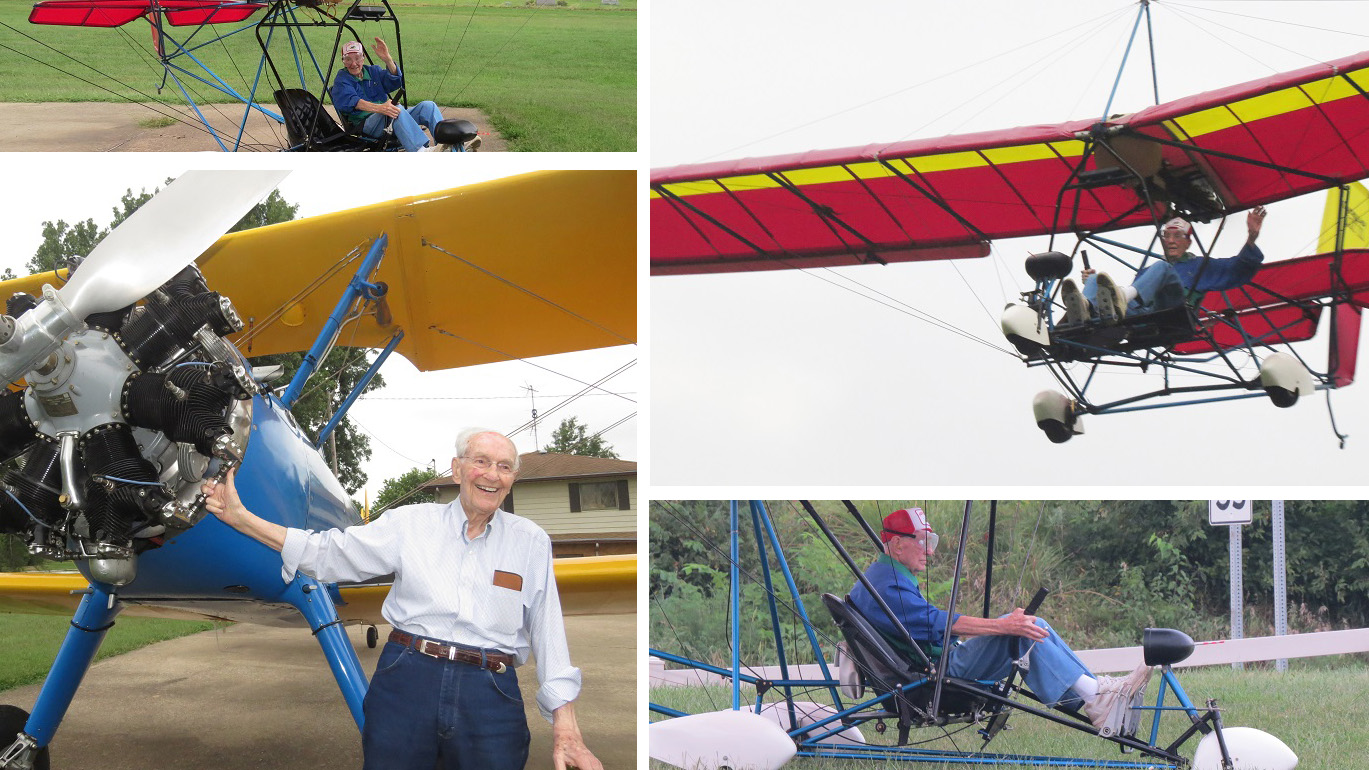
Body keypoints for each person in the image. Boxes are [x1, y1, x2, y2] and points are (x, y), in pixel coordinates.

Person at [201, 428, 602, 770]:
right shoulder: (410, 523)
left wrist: (566, 727)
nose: (491, 475)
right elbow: (328, 552)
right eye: (481, 462)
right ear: (458, 468)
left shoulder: (530, 541)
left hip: (491, 692)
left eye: (504, 466)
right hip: (408, 678)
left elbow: (548, 631)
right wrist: (242, 519)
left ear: (513, 478)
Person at [848, 508, 1149, 730]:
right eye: (923, 540)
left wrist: (1006, 626)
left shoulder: (882, 577)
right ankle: (1100, 696)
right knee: (1023, 630)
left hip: (931, 664)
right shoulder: (886, 586)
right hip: (932, 674)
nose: (930, 551)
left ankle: (1100, 695)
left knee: (1032, 625)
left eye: (933, 541)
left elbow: (930, 624)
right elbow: (938, 622)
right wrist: (1003, 626)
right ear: (898, 544)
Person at [1059, 206, 1267, 325]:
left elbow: (1239, 269)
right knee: (1095, 278)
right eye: (1167, 236)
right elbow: (1137, 297)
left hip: (1174, 315)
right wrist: (1093, 288)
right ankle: (1082, 311)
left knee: (1162, 268)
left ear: (1188, 242)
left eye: (1177, 236)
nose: (1171, 240)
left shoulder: (1200, 265)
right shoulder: (1148, 271)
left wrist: (1251, 237)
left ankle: (1114, 299)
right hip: (1140, 315)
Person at [330, 38, 453, 152]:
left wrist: (387, 59)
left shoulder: (373, 71)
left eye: (357, 58)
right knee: (395, 110)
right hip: (365, 126)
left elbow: (394, 81)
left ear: (363, 58)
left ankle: (445, 146)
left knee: (428, 106)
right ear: (343, 61)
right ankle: (420, 151)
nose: (353, 63)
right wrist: (382, 108)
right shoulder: (342, 79)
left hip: (388, 117)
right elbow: (353, 101)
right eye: (348, 59)